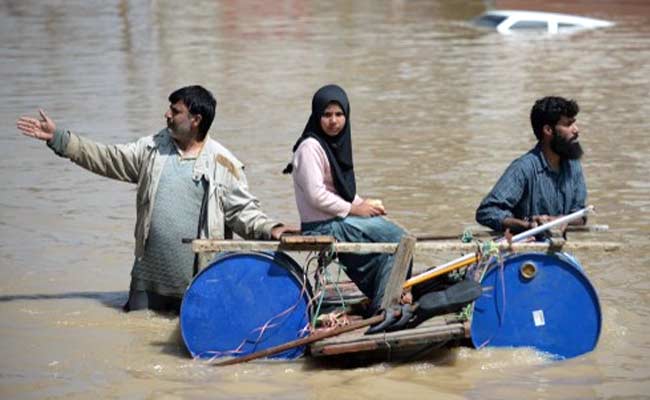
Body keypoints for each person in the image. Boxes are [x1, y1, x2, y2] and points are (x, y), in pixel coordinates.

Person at [17, 85, 295, 313]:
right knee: (138, 340)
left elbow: (243, 212)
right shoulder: (151, 150)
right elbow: (107, 158)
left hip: (200, 282)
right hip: (147, 282)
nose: (167, 115)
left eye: (175, 111)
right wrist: (61, 140)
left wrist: (272, 229)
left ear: (196, 119)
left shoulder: (223, 164)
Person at [283, 84, 408, 317]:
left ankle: (387, 294)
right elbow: (316, 195)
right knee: (397, 238)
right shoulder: (310, 147)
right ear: (316, 116)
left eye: (339, 114)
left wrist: (366, 204)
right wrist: (355, 209)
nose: (333, 121)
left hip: (337, 219)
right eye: (327, 114)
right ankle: (386, 305)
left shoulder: (334, 145)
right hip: (322, 224)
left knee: (389, 231)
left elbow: (341, 190)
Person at [475, 96, 587, 233]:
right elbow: (487, 211)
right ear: (548, 130)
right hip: (525, 250)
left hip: (560, 251)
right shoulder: (523, 168)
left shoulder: (573, 166)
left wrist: (561, 220)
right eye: (568, 124)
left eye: (574, 123)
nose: (576, 130)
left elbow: (580, 215)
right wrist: (527, 225)